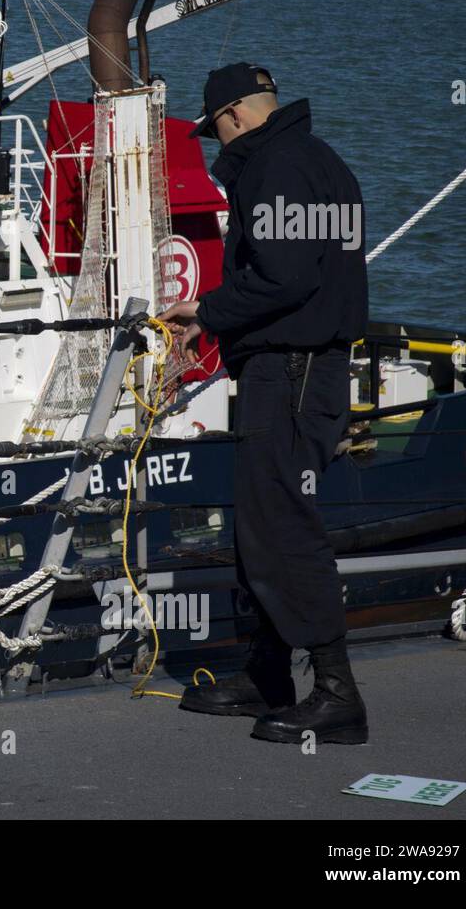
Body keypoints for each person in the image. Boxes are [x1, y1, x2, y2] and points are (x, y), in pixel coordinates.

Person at [159, 63, 369, 744]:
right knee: (263, 524)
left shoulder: (273, 168)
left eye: (215, 128)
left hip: (293, 373)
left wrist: (206, 309)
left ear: (237, 117)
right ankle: (269, 671)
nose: (217, 146)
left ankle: (337, 694)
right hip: (310, 367)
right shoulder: (322, 161)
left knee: (281, 525)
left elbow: (281, 276)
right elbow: (310, 269)